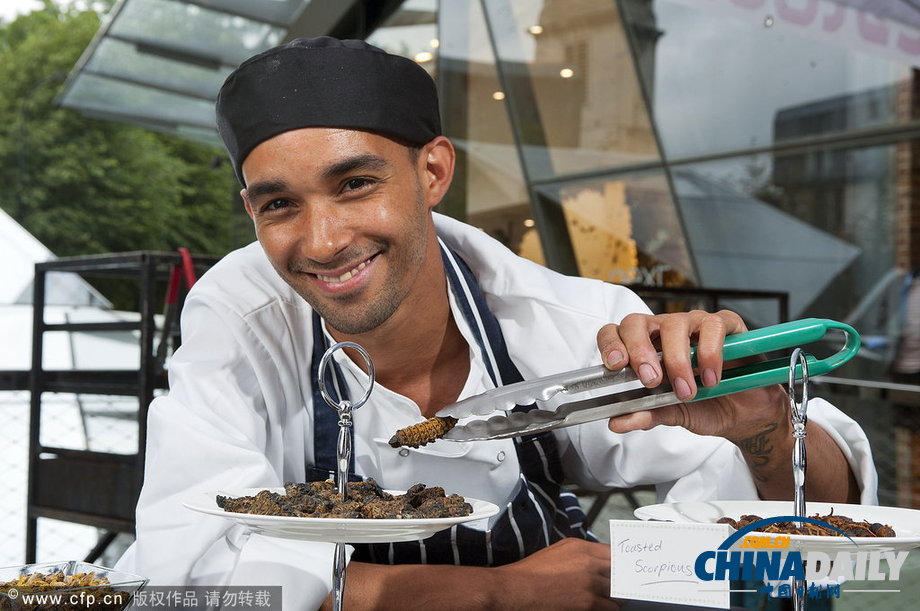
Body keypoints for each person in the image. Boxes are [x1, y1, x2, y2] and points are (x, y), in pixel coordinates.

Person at [116, 37, 877, 610]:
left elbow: (814, 546)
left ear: (433, 171)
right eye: (279, 203)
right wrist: (497, 594)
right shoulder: (241, 317)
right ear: (252, 211)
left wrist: (763, 426)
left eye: (355, 183)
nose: (321, 241)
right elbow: (181, 581)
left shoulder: (561, 322)